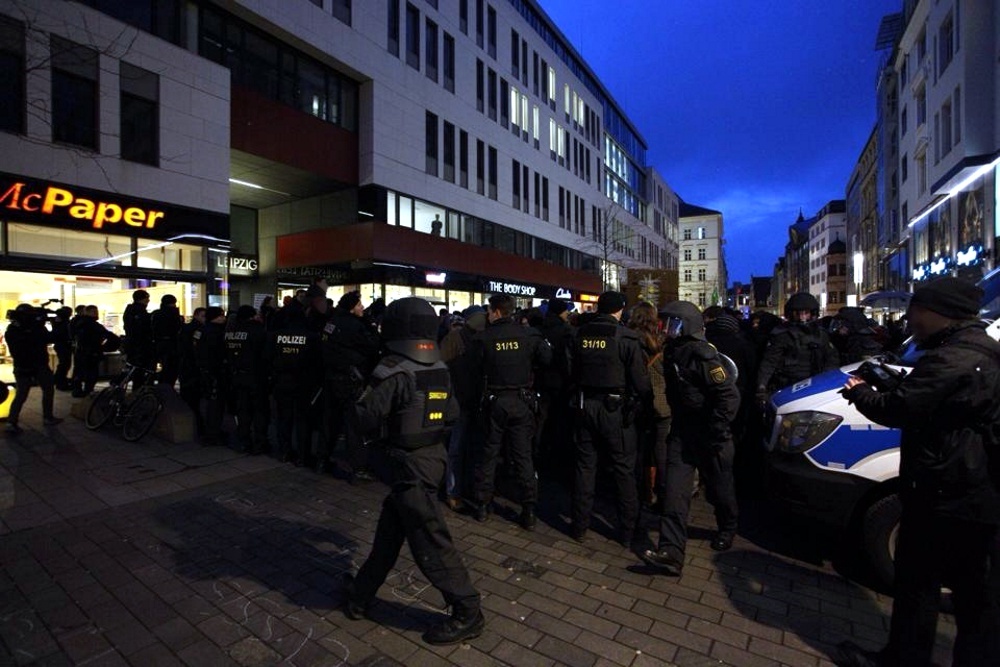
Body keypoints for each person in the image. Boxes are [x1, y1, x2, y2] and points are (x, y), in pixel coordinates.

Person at [835, 277, 1000, 667]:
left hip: (947, 490)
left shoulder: (952, 358)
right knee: (974, 597)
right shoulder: (975, 349)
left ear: (939, 313)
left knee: (923, 586)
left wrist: (859, 392)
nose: (910, 320)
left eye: (916, 311)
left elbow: (899, 408)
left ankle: (904, 659)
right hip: (969, 489)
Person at [343, 297, 484, 646]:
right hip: (430, 458)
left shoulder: (392, 369)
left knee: (430, 541)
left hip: (408, 465)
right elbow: (450, 414)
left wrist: (354, 390)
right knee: (390, 533)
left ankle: (468, 610)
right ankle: (360, 595)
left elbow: (364, 419)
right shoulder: (437, 365)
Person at [642, 301, 740, 576]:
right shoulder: (673, 351)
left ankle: (728, 526)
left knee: (720, 488)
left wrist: (718, 430)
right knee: (674, 492)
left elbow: (728, 397)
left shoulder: (703, 355)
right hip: (683, 431)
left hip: (710, 434)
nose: (666, 330)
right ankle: (671, 552)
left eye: (672, 324)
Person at [570, 291, 651, 545]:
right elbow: (641, 382)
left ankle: (579, 526)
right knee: (623, 469)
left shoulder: (579, 335)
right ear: (620, 310)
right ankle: (627, 531)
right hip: (615, 411)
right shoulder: (626, 337)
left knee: (585, 466)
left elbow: (571, 372)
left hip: (584, 406)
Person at [470, 293, 552, 529]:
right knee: (523, 455)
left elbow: (474, 370)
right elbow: (547, 359)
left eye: (488, 310)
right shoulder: (528, 335)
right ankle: (528, 509)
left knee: (489, 454)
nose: (487, 314)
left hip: (494, 401)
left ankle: (483, 505)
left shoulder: (483, 338)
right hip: (521, 401)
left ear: (496, 311)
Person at [320, 290, 380, 477]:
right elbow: (373, 347)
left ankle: (323, 460)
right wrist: (370, 326)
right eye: (359, 304)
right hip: (350, 380)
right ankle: (358, 468)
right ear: (352, 308)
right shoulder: (354, 325)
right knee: (354, 426)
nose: (362, 307)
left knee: (330, 422)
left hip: (331, 378)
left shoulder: (332, 322)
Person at [440, 304, 488, 509]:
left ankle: (461, 487)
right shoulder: (455, 338)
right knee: (457, 449)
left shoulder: (483, 338)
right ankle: (453, 490)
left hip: (472, 401)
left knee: (467, 448)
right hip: (461, 401)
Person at [626, 301, 670, 509]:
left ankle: (639, 492)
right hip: (660, 402)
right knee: (661, 450)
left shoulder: (626, 338)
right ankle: (662, 493)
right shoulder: (661, 340)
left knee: (636, 449)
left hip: (635, 401)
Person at [266, 305, 323, 465]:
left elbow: (267, 359)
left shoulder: (274, 336)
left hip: (281, 381)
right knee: (303, 420)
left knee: (284, 418)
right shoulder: (311, 337)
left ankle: (285, 451)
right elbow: (318, 363)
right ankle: (303, 455)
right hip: (304, 383)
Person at [756, 292, 839, 399]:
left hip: (815, 384)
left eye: (806, 313)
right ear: (791, 314)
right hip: (787, 386)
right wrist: (761, 386)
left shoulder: (821, 334)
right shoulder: (782, 334)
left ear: (812, 313)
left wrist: (826, 378)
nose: (802, 317)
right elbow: (769, 362)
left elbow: (832, 358)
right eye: (798, 313)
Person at [534, 298, 575, 483]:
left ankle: (540, 457)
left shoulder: (539, 330)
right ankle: (558, 460)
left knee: (541, 422)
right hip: (561, 383)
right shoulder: (566, 332)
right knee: (561, 421)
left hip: (542, 382)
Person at [4, 305, 60, 433]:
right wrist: (49, 323)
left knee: (21, 395)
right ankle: (47, 417)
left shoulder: (12, 329)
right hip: (38, 365)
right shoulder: (36, 328)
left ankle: (11, 422)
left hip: (22, 366)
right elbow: (49, 339)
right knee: (47, 390)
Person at [226, 305, 269, 454]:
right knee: (259, 411)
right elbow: (264, 355)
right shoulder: (257, 331)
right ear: (252, 316)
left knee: (243, 411)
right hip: (256, 376)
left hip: (237, 375)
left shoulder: (230, 331)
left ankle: (244, 441)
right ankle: (260, 443)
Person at [194, 306, 227, 446]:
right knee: (215, 404)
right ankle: (213, 433)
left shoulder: (200, 330)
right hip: (215, 372)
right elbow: (219, 353)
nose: (224, 318)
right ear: (217, 317)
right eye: (222, 315)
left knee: (207, 401)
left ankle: (209, 430)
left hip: (203, 370)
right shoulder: (217, 332)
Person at [71, 306, 118, 397]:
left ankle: (78, 390)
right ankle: (88, 390)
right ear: (87, 312)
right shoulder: (92, 324)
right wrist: (105, 346)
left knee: (79, 371)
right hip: (91, 352)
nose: (96, 313)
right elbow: (108, 335)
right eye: (94, 312)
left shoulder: (77, 323)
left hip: (81, 351)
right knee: (91, 373)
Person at [177, 308, 206, 435]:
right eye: (203, 316)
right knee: (194, 397)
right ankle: (197, 425)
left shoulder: (186, 328)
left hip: (185, 366)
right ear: (196, 316)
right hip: (192, 367)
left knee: (188, 395)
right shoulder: (198, 329)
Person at [150, 294, 184, 388]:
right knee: (171, 369)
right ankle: (167, 389)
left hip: (158, 344)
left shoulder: (155, 314)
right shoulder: (176, 315)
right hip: (173, 346)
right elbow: (179, 329)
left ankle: (160, 387)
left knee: (163, 368)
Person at [122, 289, 155, 386]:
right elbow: (142, 330)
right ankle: (139, 392)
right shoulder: (139, 312)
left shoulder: (130, 310)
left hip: (133, 345)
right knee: (140, 370)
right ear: (142, 299)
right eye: (147, 298)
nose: (148, 300)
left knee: (134, 369)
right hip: (140, 347)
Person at [51, 306, 74, 391]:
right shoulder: (64, 323)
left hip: (61, 345)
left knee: (64, 364)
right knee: (64, 364)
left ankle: (59, 381)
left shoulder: (57, 322)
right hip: (63, 345)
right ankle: (60, 382)